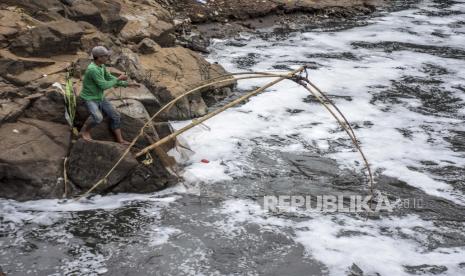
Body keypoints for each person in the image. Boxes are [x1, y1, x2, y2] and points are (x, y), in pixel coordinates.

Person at [79, 46, 139, 144]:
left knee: (116, 116)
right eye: (105, 56)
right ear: (98, 57)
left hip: (100, 97)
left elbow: (110, 78)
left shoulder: (101, 66)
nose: (108, 57)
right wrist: (119, 79)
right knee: (98, 118)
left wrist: (127, 84)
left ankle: (120, 140)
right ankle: (85, 131)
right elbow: (103, 85)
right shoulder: (93, 69)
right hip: (90, 98)